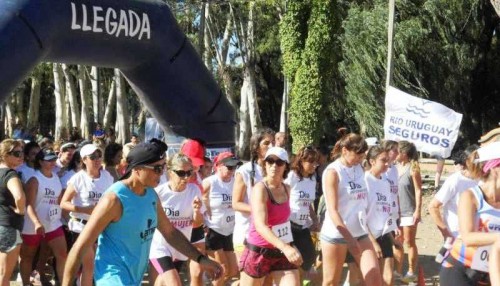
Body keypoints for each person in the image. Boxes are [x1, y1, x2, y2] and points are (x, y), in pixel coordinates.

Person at [62, 142, 222, 286]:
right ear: (137, 169)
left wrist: (201, 259)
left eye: (163, 167)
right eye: (157, 169)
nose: (162, 173)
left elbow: (170, 233)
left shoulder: (151, 195)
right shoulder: (114, 199)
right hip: (112, 277)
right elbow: (80, 247)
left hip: (134, 278)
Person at [320, 133, 382, 286]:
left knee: (374, 278)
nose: (360, 159)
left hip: (360, 232)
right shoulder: (333, 172)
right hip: (336, 233)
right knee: (331, 282)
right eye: (357, 155)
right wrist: (349, 240)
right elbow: (332, 210)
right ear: (345, 150)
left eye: (362, 156)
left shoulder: (359, 167)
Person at [439, 141, 500, 285]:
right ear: (496, 168)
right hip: (460, 270)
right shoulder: (471, 196)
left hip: (490, 273)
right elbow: (468, 237)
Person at [239, 147, 303, 285]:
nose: (274, 166)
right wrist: (285, 247)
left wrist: (290, 245)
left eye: (279, 162)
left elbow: (284, 223)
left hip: (280, 250)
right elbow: (261, 226)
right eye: (270, 161)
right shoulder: (260, 189)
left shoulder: (287, 188)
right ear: (265, 164)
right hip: (259, 251)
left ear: (285, 166)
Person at [60, 144, 114, 286]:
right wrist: (84, 209)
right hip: (81, 227)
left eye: (99, 156)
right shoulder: (78, 178)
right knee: (89, 265)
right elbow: (63, 203)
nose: (97, 160)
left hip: (101, 228)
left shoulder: (107, 177)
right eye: (93, 157)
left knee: (94, 266)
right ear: (84, 160)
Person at [148, 153, 205, 286]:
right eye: (181, 173)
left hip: (180, 247)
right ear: (170, 172)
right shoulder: (159, 192)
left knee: (161, 283)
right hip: (160, 246)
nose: (186, 177)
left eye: (189, 172)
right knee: (174, 283)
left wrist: (197, 211)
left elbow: (197, 224)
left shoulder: (194, 190)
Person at [20, 148, 67, 286]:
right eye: (49, 160)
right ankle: (25, 283)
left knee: (62, 254)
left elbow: (58, 202)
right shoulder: (34, 180)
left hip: (53, 223)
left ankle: (60, 281)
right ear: (40, 162)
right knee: (28, 256)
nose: (53, 163)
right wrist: (36, 223)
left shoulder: (56, 177)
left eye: (54, 159)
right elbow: (29, 204)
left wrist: (67, 219)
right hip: (33, 225)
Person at [232, 128, 275, 260]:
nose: (272, 146)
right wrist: (260, 211)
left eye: (273, 142)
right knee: (247, 277)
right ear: (256, 148)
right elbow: (236, 203)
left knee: (267, 280)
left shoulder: (277, 169)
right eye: (267, 143)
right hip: (245, 233)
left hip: (270, 233)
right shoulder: (244, 171)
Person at [202, 152, 241, 286]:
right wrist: (202, 224)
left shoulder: (236, 182)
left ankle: (209, 279)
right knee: (221, 269)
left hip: (229, 231)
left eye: (234, 167)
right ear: (218, 166)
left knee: (233, 270)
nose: (232, 171)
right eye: (229, 167)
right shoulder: (209, 182)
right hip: (213, 230)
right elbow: (195, 201)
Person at [365, 146, 401, 286]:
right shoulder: (365, 181)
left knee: (388, 276)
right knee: (372, 278)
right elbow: (360, 215)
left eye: (388, 160)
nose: (387, 163)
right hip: (367, 236)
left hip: (384, 233)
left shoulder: (385, 183)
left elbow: (387, 210)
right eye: (383, 160)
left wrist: (392, 231)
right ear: (372, 161)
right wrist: (372, 241)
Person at [284, 146, 320, 283]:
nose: (313, 166)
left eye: (316, 162)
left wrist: (315, 219)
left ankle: (298, 280)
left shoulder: (312, 179)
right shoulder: (292, 176)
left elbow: (308, 203)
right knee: (294, 258)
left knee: (310, 256)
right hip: (289, 223)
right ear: (301, 161)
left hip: (303, 224)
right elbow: (282, 197)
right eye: (310, 162)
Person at [428, 146, 479, 240]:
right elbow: (433, 206)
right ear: (467, 161)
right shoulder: (455, 180)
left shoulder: (483, 180)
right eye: (477, 160)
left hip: (476, 237)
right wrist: (446, 233)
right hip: (456, 238)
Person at [180, 138, 207, 286]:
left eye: (197, 163)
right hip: (176, 227)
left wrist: (204, 218)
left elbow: (202, 200)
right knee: (170, 275)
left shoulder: (198, 177)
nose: (196, 167)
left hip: (195, 226)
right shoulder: (167, 176)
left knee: (197, 271)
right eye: (193, 162)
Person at [395, 141, 422, 283]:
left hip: (408, 211)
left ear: (404, 154)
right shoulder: (394, 167)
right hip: (395, 212)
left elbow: (418, 191)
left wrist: (417, 211)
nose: (394, 153)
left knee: (409, 242)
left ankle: (411, 271)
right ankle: (398, 272)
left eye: (397, 151)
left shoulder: (413, 169)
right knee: (397, 241)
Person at [0, 139, 26, 286]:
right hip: (8, 226)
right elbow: (19, 196)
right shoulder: (10, 174)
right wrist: (20, 211)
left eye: (21, 152)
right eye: (16, 153)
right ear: (4, 155)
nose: (21, 156)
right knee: (4, 275)